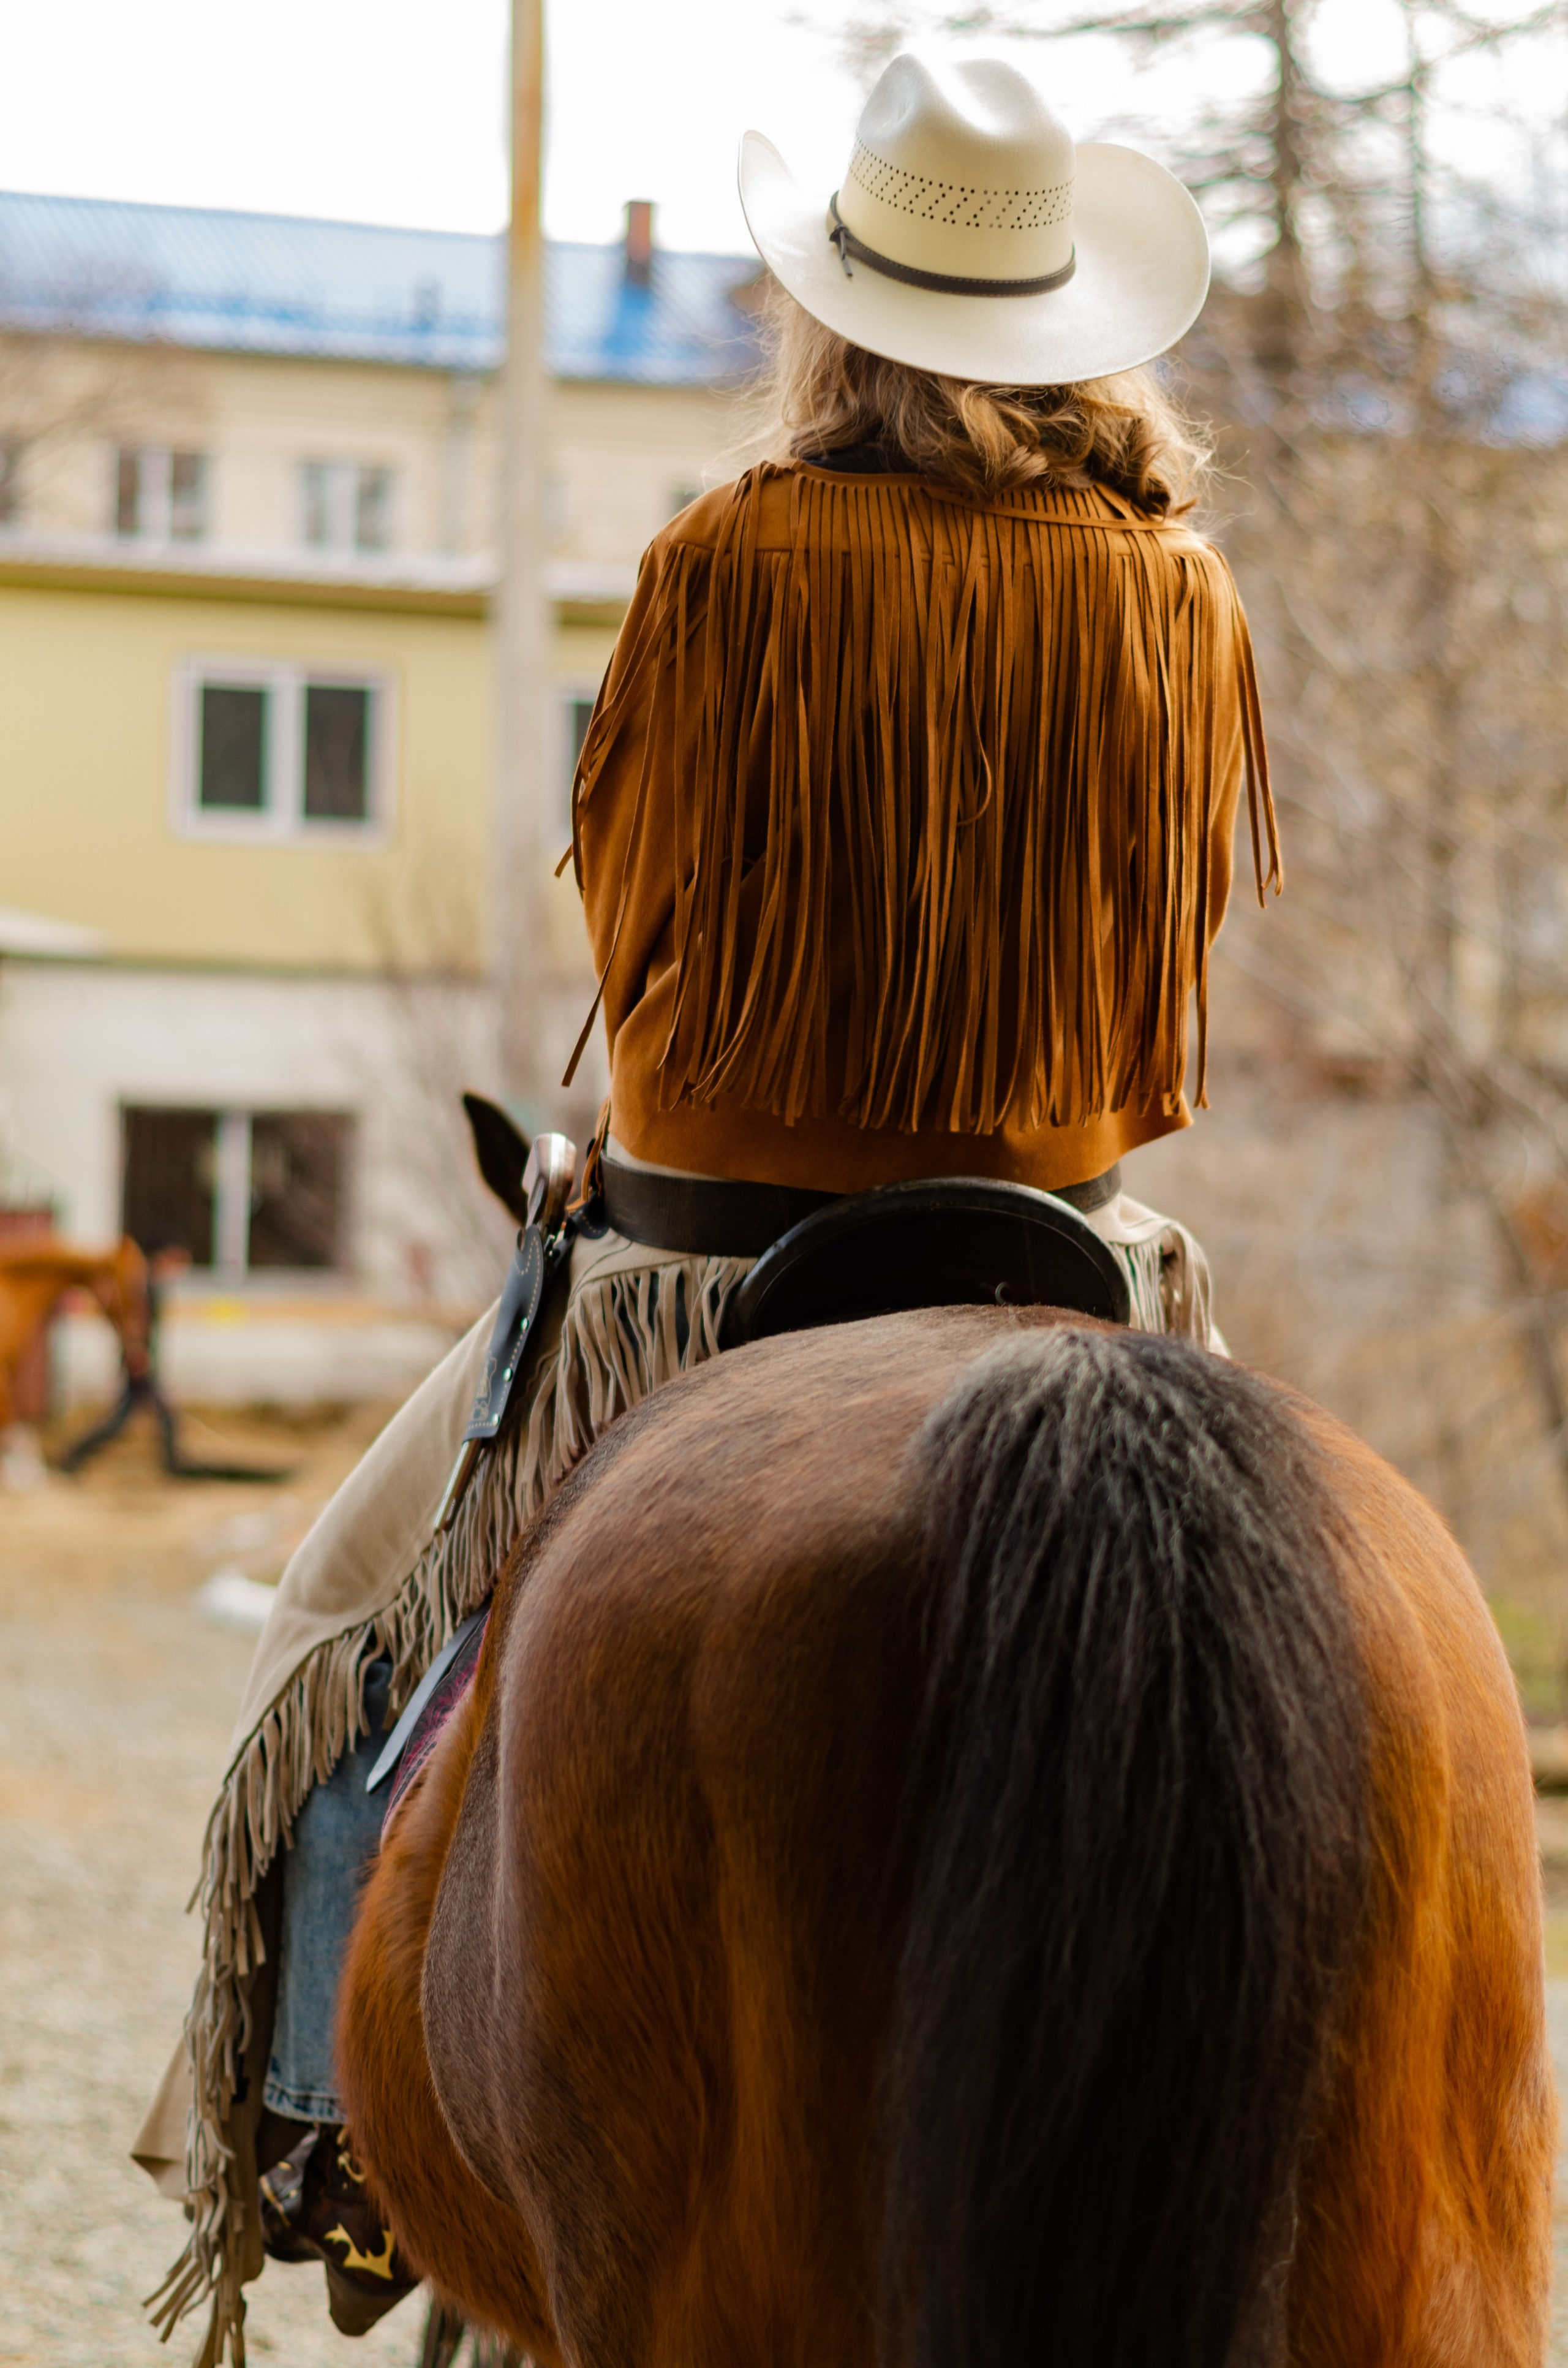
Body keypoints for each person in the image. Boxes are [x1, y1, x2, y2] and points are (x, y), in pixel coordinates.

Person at [135, 47, 1277, 2359]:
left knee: (343, 1647)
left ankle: (321, 2145)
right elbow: (1174, 973)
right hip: (1089, 1262)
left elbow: (639, 930)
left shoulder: (726, 559)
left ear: (836, 313)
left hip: (700, 1275)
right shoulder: (1183, 601)